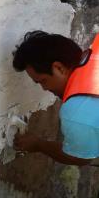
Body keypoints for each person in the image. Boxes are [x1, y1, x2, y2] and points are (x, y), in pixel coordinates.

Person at [12, 31, 99, 166]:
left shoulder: (77, 111)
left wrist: (38, 144)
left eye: (43, 81)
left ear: (59, 68)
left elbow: (80, 158)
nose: (44, 89)